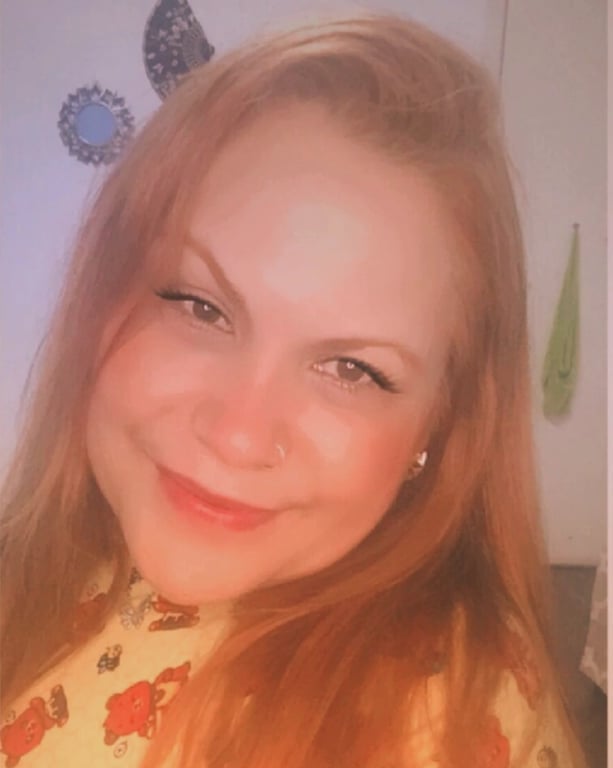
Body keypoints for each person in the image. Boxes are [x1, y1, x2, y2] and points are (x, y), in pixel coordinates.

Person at [0, 12, 585, 768]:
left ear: (439, 427)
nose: (238, 435)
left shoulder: (444, 720)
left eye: (352, 370)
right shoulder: (39, 558)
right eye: (199, 306)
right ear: (104, 294)